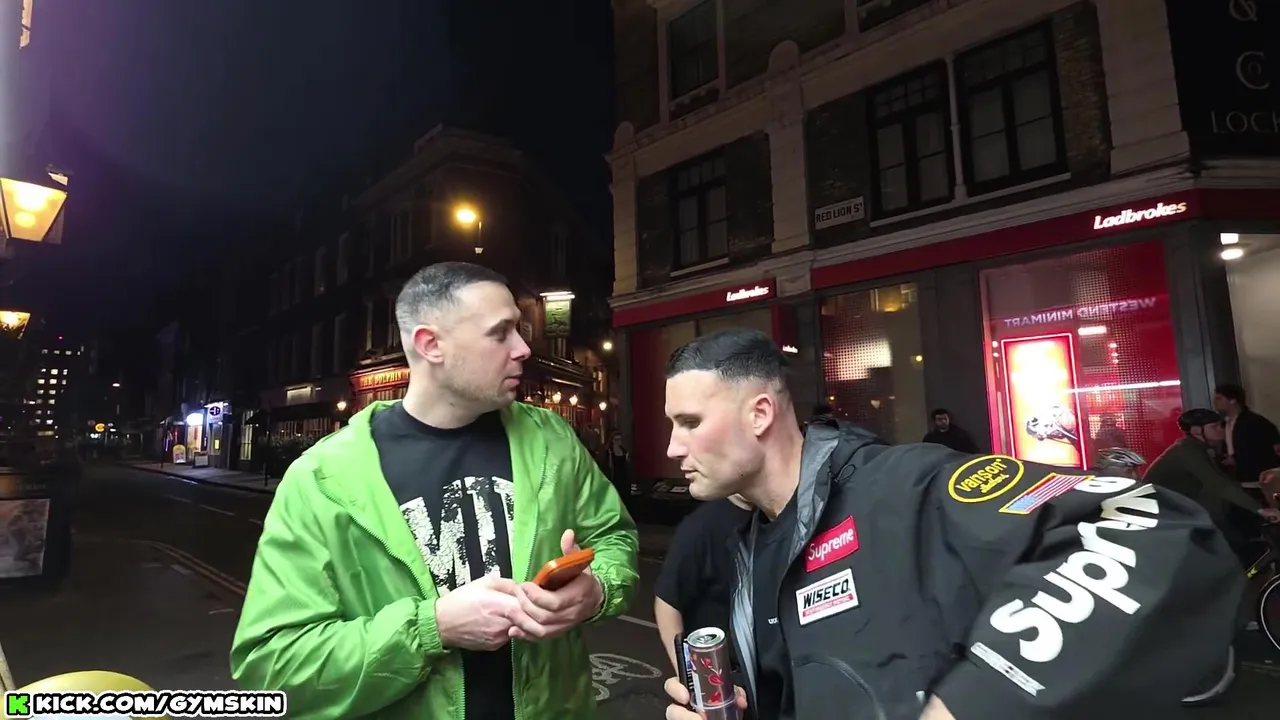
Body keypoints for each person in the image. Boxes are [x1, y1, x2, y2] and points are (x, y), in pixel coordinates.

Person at [659, 328, 1243, 720]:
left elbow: (1147, 523)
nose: (672, 447)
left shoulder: (906, 486)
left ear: (760, 413)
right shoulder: (748, 545)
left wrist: (970, 702)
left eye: (689, 422)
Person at [230, 262, 639, 720]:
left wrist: (596, 591)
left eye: (519, 330)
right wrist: (432, 628)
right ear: (431, 345)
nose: (524, 348)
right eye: (500, 333)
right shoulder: (322, 479)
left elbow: (614, 537)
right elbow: (273, 667)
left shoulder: (551, 438)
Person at [1143, 408, 1280, 563]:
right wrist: (1260, 510)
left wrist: (1255, 490)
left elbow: (1224, 480)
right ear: (1196, 431)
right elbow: (1218, 484)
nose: (1221, 430)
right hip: (1163, 514)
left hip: (1179, 507)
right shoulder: (1187, 452)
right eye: (1215, 426)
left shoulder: (1199, 448)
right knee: (1231, 541)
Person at [654, 494, 753, 672]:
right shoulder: (700, 527)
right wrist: (688, 673)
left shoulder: (775, 518)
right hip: (720, 672)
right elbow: (667, 602)